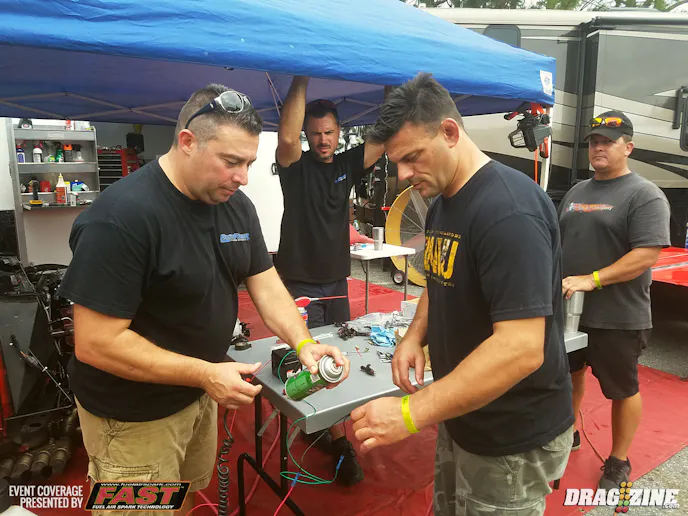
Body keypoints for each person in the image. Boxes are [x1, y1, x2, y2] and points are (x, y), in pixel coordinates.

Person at [57, 84, 349, 516]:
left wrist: (304, 343)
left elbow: (266, 283)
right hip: (133, 418)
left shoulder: (235, 205)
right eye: (231, 162)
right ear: (188, 142)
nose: (243, 177)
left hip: (197, 395)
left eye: (249, 163)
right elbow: (95, 343)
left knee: (186, 496)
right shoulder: (122, 218)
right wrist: (205, 374)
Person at [350, 73, 574, 516]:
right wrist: (414, 336)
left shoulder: (509, 210)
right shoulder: (443, 201)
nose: (403, 175)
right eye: (396, 162)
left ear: (450, 133)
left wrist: (410, 413)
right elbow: (439, 276)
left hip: (510, 434)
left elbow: (521, 348)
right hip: (462, 412)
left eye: (412, 157)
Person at [273, 76, 385, 485]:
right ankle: (337, 441)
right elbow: (286, 138)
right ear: (307, 133)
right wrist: (301, 76)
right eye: (316, 133)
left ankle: (330, 427)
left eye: (329, 132)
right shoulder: (294, 166)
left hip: (336, 280)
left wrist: (392, 84)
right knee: (309, 358)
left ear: (339, 132)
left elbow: (384, 137)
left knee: (340, 354)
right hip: (300, 281)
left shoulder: (345, 166)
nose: (323, 140)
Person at [558, 110, 670, 489]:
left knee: (622, 389)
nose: (598, 147)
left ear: (629, 147)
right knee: (568, 376)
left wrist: (592, 280)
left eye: (607, 141)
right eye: (593, 141)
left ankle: (619, 460)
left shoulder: (644, 194)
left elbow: (647, 254)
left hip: (619, 316)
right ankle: (568, 433)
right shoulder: (576, 192)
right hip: (570, 313)